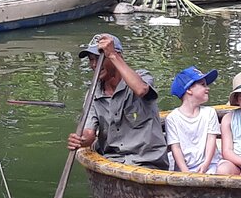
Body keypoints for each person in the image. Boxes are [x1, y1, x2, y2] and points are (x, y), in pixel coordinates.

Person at [67, 33, 169, 170]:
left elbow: (141, 90)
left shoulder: (141, 77)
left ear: (117, 56)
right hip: (113, 161)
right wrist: (81, 140)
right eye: (91, 60)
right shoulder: (93, 93)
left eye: (100, 59)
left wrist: (112, 54)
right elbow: (89, 133)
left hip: (147, 161)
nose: (94, 65)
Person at [165, 66, 221, 173]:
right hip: (184, 168)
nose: (207, 88)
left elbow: (211, 140)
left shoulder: (209, 113)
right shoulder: (172, 118)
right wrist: (185, 171)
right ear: (189, 89)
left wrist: (206, 164)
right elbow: (175, 148)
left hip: (210, 165)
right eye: (203, 84)